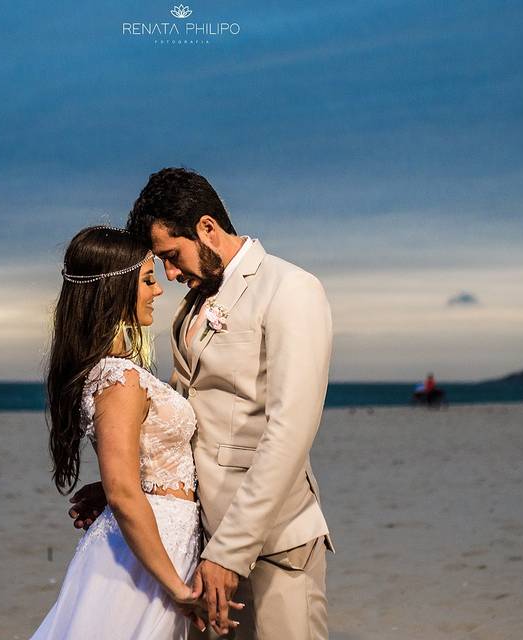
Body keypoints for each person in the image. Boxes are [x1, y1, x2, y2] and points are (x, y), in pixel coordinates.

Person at [71, 168, 334, 639]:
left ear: (208, 228)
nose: (170, 275)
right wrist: (125, 479)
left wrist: (228, 553)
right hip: (201, 546)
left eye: (172, 256)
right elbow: (184, 419)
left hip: (272, 544)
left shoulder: (290, 290)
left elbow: (289, 433)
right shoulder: (191, 308)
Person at [33, 225, 241, 639]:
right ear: (116, 289)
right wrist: (179, 590)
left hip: (161, 544)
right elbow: (125, 494)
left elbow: (132, 474)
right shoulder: (120, 379)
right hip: (145, 559)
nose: (158, 290)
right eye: (147, 279)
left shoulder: (117, 373)